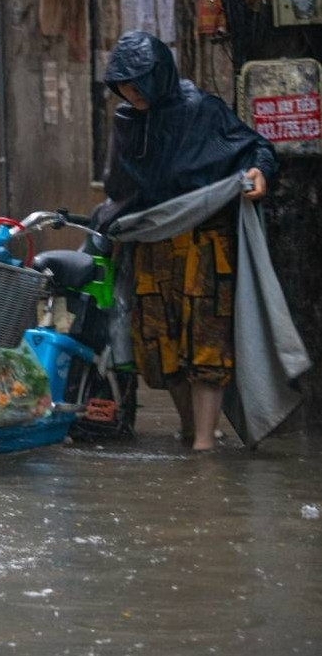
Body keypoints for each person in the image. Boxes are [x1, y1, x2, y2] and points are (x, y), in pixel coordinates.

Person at [100, 30, 277, 451]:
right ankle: (189, 429)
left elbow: (256, 149)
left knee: (206, 344)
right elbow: (120, 187)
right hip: (151, 248)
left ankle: (203, 444)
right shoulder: (127, 120)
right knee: (160, 347)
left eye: (138, 83)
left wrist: (259, 174)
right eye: (123, 86)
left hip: (203, 246)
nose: (131, 93)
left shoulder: (201, 110)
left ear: (159, 75)